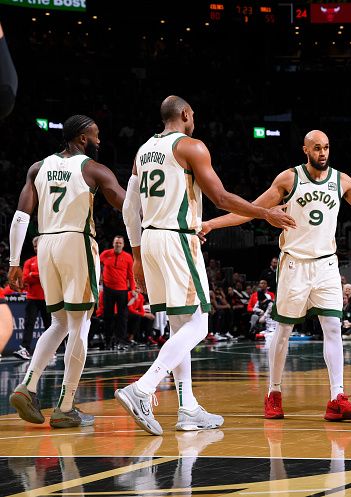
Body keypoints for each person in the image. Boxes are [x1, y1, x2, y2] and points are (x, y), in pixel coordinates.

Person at [201, 129, 351, 421]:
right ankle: (274, 391)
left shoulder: (341, 181)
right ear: (305, 150)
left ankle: (336, 397)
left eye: (327, 148)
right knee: (283, 332)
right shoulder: (288, 179)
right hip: (294, 264)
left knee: (333, 328)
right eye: (317, 148)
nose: (323, 153)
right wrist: (212, 225)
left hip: (327, 265)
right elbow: (251, 210)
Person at [115, 95, 295, 436]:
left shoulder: (142, 151)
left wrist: (137, 255)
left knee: (180, 325)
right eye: (193, 114)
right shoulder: (191, 147)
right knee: (198, 325)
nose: (194, 118)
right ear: (185, 114)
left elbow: (128, 210)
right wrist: (266, 213)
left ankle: (187, 408)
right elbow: (222, 198)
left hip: (150, 240)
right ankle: (142, 389)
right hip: (177, 238)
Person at [8, 114, 126, 428]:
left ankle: (28, 387)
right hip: (76, 242)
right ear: (83, 138)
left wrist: (14, 263)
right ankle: (66, 405)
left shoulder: (38, 167)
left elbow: (21, 217)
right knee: (80, 324)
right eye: (96, 135)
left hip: (44, 245)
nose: (100, 141)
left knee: (59, 321)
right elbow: (124, 203)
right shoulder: (92, 168)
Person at [14, 237, 51, 360]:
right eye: (34, 246)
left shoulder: (49, 260)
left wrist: (32, 275)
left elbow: (49, 277)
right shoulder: (29, 262)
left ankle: (51, 351)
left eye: (38, 246)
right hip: (32, 298)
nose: (36, 248)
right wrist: (38, 275)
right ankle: (25, 349)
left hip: (47, 298)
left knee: (49, 325)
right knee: (29, 324)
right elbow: (25, 279)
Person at [100, 235, 135, 349]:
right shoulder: (105, 254)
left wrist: (133, 289)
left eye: (120, 243)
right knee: (108, 316)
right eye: (116, 243)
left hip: (122, 290)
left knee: (122, 317)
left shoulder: (128, 257)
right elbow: (96, 265)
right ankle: (108, 340)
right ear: (113, 243)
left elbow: (131, 274)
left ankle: (121, 341)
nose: (118, 245)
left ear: (123, 245)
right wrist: (99, 279)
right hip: (108, 289)